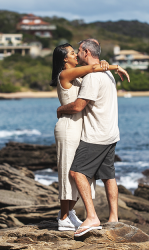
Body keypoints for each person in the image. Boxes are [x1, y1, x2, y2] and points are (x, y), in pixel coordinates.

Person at [52, 42, 129, 231]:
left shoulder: (87, 74)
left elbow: (93, 67)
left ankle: (72, 213)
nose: (76, 55)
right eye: (72, 53)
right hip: (71, 127)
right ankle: (65, 216)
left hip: (86, 130)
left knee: (79, 173)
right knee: (70, 173)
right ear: (64, 59)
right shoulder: (67, 74)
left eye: (77, 51)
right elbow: (79, 103)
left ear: (86, 52)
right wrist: (113, 66)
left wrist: (107, 64)